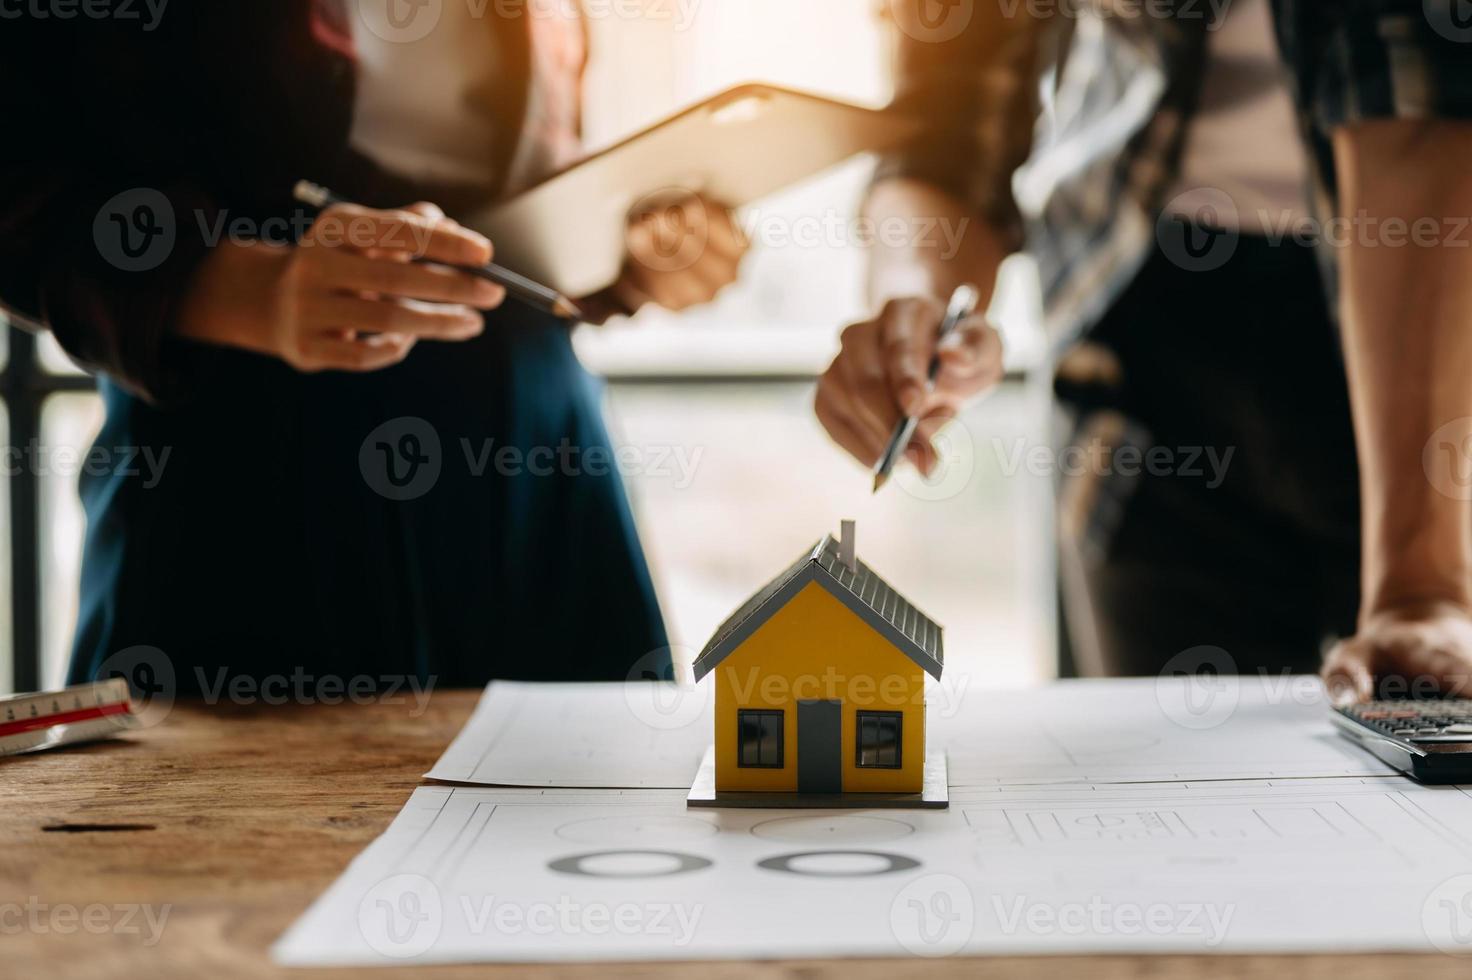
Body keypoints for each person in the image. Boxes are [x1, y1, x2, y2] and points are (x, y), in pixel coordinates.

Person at [0, 1, 744, 693]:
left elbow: (523, 188)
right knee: (227, 820)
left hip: (537, 448)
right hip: (242, 466)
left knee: (592, 807)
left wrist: (624, 253)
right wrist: (241, 285)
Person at [815, 0, 1472, 698]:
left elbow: (1422, 95)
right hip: (1138, 339)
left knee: (1419, 743)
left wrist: (1421, 588)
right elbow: (948, 117)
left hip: (1425, 332)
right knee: (1170, 769)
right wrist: (914, 301)